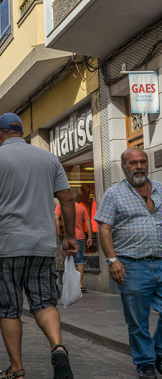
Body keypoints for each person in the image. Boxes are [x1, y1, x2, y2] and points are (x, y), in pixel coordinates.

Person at [0, 113, 77, 379]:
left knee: (9, 309)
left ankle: (17, 369)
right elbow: (67, 198)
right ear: (20, 133)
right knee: (45, 302)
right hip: (42, 246)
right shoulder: (48, 158)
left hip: (8, 246)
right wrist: (69, 236)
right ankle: (57, 346)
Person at [95, 148, 162, 379]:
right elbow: (104, 228)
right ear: (123, 167)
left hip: (161, 262)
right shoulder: (114, 194)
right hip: (132, 266)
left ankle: (159, 352)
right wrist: (112, 260)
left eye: (142, 161)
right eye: (133, 163)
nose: (139, 166)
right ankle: (145, 363)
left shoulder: (161, 189)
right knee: (137, 320)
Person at [55, 192, 93, 293]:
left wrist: (58, 232)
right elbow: (88, 222)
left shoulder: (60, 206)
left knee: (67, 259)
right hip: (80, 237)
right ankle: (80, 283)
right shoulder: (82, 208)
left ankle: (70, 283)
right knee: (79, 260)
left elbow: (56, 219)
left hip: (66, 237)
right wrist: (90, 237)